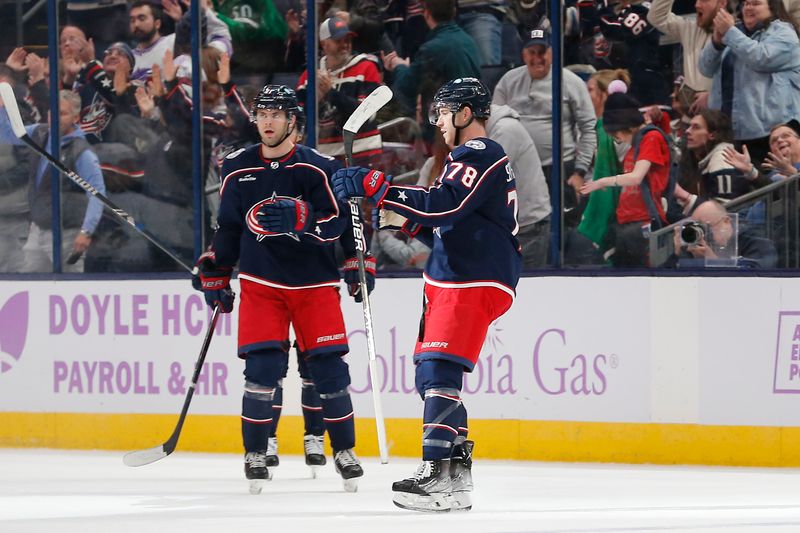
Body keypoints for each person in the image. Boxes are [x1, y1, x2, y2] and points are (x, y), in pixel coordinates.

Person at [332, 77, 522, 512]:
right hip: (454, 275)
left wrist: (381, 186)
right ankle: (455, 477)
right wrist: (409, 221)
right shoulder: (464, 157)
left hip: (471, 279)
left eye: (442, 112)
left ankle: (435, 471)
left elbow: (448, 204)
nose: (437, 122)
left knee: (439, 369)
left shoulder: (480, 151)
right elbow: (453, 219)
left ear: (465, 113)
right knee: (430, 375)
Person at [193, 85, 364, 494]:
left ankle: (343, 450)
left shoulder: (319, 166)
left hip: (315, 283)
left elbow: (340, 223)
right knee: (262, 370)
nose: (267, 121)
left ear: (293, 121)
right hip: (262, 283)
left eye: (276, 113)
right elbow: (230, 228)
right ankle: (254, 453)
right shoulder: (236, 167)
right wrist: (216, 268)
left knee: (329, 371)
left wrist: (353, 258)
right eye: (262, 113)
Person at [492, 27, 597, 227]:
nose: (537, 58)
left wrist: (580, 172)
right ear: (523, 54)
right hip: (519, 170)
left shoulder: (571, 82)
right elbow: (493, 123)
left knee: (563, 227)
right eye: (532, 52)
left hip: (559, 170)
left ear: (552, 53)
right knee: (523, 225)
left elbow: (588, 128)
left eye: (542, 52)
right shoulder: (508, 81)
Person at [0, 90, 105, 273]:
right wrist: (1, 110)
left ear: (75, 117)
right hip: (38, 227)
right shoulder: (40, 133)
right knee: (29, 282)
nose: (54, 118)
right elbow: (7, 135)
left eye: (62, 113)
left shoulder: (81, 152)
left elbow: (97, 193)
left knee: (70, 286)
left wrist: (87, 230)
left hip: (67, 232)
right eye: (52, 112)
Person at [698, 0, 800, 167]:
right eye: (745, 3)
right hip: (729, 133)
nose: (748, 8)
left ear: (772, 8)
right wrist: (717, 41)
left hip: (770, 135)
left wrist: (730, 33)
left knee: (771, 186)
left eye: (755, 3)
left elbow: (761, 58)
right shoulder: (735, 33)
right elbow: (705, 68)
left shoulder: (783, 32)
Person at [579, 90, 669, 267]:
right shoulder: (634, 146)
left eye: (616, 134)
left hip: (643, 223)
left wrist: (602, 182)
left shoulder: (651, 138)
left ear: (625, 125)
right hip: (626, 223)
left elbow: (636, 178)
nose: (617, 139)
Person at [381, 0, 481, 140]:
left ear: (426, 13)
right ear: (454, 11)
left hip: (446, 133)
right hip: (471, 123)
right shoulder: (469, 42)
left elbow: (406, 86)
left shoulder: (432, 49)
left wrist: (398, 65)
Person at [296, 15, 384, 162]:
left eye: (347, 40)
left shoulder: (366, 67)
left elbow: (367, 115)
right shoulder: (308, 76)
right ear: (324, 44)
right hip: (324, 155)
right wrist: (315, 99)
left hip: (362, 151)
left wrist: (331, 93)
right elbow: (298, 122)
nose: (345, 44)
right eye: (338, 40)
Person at [486, 102, 551, 268]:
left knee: (525, 289)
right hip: (507, 228)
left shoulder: (504, 130)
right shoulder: (487, 130)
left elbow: (486, 183)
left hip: (527, 227)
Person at [647, 0, 722, 117]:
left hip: (720, 119)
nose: (697, 4)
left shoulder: (737, 34)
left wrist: (714, 96)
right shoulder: (690, 28)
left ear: (722, 3)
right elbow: (656, 17)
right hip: (689, 119)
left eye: (704, 0)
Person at [663, 199, 777, 268]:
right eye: (698, 227)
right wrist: (677, 254)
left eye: (706, 227)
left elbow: (756, 275)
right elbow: (662, 280)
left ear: (726, 221)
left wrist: (712, 260)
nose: (702, 234)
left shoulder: (755, 242)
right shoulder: (695, 247)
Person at [679, 109, 752, 202]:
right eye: (689, 126)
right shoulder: (707, 159)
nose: (687, 131)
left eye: (696, 127)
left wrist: (683, 195)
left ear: (712, 135)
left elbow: (724, 210)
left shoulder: (721, 161)